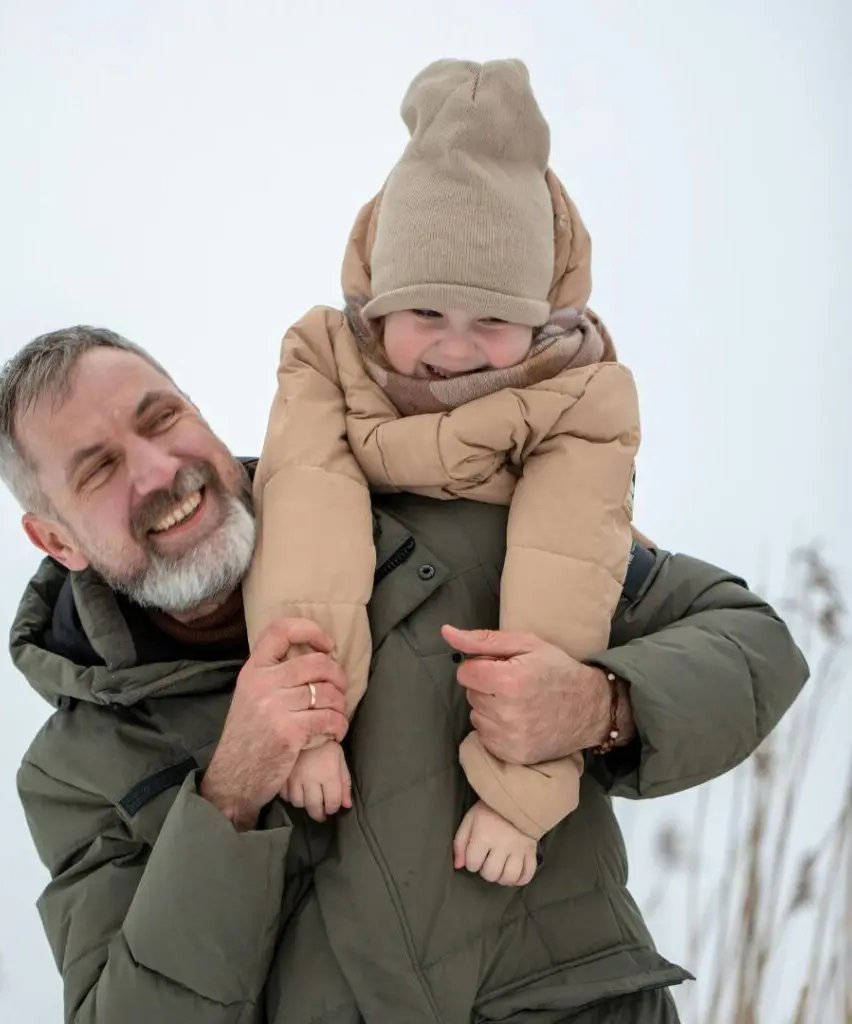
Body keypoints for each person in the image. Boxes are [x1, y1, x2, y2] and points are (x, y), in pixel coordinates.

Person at [0, 324, 807, 1022]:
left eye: (162, 418)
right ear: (57, 541)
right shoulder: (74, 774)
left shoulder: (438, 511)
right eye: (98, 469)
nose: (159, 470)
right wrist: (229, 793)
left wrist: (601, 705)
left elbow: (753, 640)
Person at [245, 57, 636, 887]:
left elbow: (565, 576)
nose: (455, 347)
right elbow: (304, 525)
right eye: (425, 311)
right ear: (376, 301)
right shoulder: (325, 360)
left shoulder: (578, 399)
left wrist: (521, 790)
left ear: (540, 322)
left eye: (494, 319)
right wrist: (311, 723)